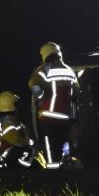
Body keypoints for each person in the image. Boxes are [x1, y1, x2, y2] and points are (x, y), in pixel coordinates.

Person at [29, 42, 79, 170]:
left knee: (49, 147)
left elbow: (33, 86)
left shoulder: (43, 69)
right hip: (66, 118)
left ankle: (52, 173)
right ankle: (66, 169)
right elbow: (77, 91)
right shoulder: (70, 70)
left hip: (48, 117)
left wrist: (41, 97)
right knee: (64, 144)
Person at [0, 91, 35, 170]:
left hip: (10, 153)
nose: (19, 107)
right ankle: (23, 169)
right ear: (11, 105)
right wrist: (28, 144)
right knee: (30, 152)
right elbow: (13, 139)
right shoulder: (8, 121)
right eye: (16, 104)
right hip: (10, 154)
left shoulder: (11, 120)